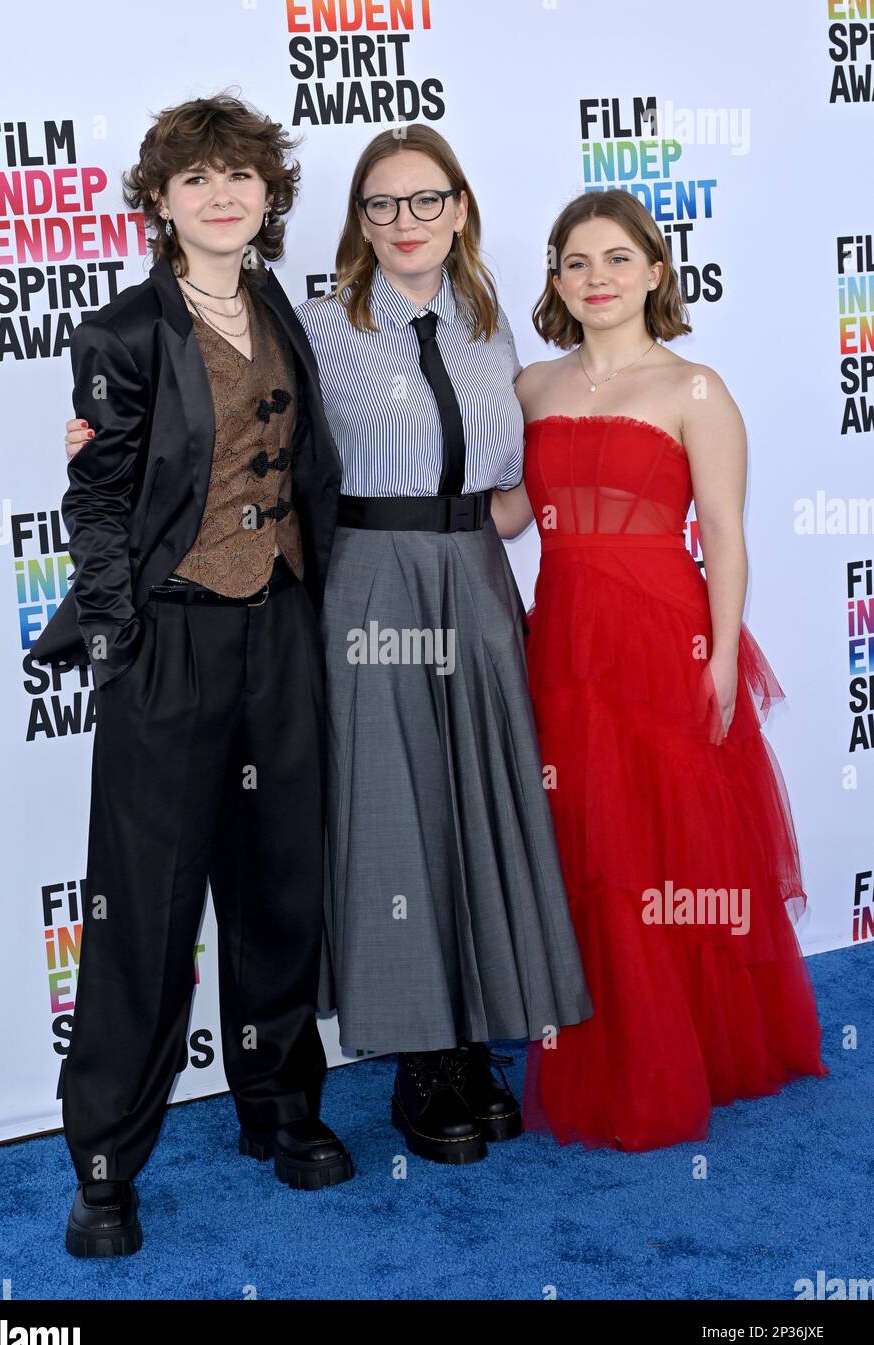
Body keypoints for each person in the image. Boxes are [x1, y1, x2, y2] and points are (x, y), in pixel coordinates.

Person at [34, 93, 352, 1258]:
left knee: (278, 890)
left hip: (283, 632)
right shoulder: (121, 334)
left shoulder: (281, 305)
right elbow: (99, 499)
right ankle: (106, 1164)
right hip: (170, 640)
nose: (224, 196)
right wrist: (121, 638)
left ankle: (278, 1108)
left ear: (269, 198)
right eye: (197, 179)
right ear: (160, 201)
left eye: (243, 178)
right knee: (143, 914)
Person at [492, 189, 827, 1151]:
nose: (595, 279)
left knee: (669, 848)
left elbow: (722, 533)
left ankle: (694, 1050)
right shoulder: (531, 388)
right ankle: (607, 1036)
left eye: (614, 260)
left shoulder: (695, 390)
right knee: (590, 846)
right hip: (563, 635)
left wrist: (720, 653)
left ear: (653, 270)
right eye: (574, 263)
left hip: (664, 635)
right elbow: (509, 517)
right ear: (554, 279)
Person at [290, 126, 592, 1166]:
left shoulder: (487, 326)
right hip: (373, 580)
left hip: (477, 577)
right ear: (359, 222)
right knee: (393, 811)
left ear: (460, 208)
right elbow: (246, 430)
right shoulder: (320, 325)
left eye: (425, 201)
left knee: (479, 803)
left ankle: (473, 1034)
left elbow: (507, 493)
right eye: (382, 205)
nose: (404, 222)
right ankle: (421, 1051)